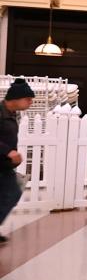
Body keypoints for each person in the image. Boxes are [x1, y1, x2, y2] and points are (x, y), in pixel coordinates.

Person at [0, 78, 36, 244]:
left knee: (12, 192)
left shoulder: (13, 114)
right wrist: (8, 151)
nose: (30, 102)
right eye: (28, 99)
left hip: (4, 165)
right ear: (15, 98)